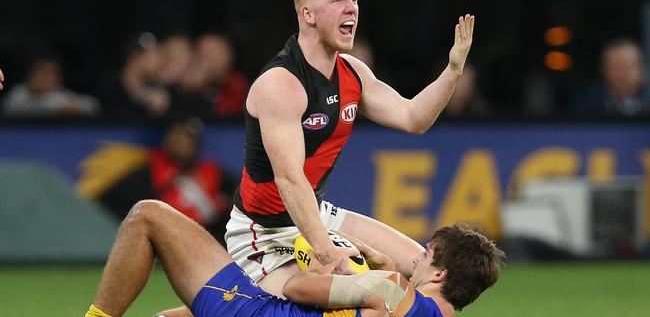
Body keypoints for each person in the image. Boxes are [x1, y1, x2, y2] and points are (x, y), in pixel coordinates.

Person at [161, 0, 475, 316]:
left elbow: (413, 118)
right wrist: (327, 252)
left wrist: (453, 70)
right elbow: (289, 180)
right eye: (338, 0)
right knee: (307, 302)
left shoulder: (353, 72)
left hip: (316, 213)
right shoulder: (282, 83)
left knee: (424, 268)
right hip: (264, 231)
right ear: (307, 14)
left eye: (354, 0)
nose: (351, 8)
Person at [84, 200, 505, 317]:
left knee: (148, 216)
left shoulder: (392, 291)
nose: (416, 258)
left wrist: (321, 260)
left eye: (426, 255)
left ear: (442, 271)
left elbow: (296, 288)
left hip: (257, 312)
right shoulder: (400, 294)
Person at [77, 117, 237, 245]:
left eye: (186, 138)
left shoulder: (212, 171)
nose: (179, 141)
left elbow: (240, 196)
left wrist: (223, 208)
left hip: (206, 240)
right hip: (160, 241)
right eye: (175, 135)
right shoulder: (149, 169)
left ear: (196, 144)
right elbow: (115, 202)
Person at [572, 38, 650, 116]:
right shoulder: (584, 108)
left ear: (642, 70)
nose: (621, 74)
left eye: (628, 67)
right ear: (602, 70)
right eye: (615, 67)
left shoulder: (647, 103)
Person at [2, 55, 101, 116]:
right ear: (29, 75)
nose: (44, 78)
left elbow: (92, 105)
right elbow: (10, 109)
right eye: (41, 73)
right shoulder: (18, 93)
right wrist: (55, 110)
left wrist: (75, 108)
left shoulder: (60, 95)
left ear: (57, 79)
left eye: (50, 74)